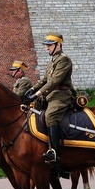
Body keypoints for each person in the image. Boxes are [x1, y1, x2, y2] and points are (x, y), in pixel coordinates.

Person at [30, 32, 76, 172]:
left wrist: (39, 93)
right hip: (51, 95)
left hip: (62, 95)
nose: (47, 48)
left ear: (58, 45)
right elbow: (45, 80)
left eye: (49, 45)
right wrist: (32, 89)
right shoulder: (52, 62)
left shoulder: (64, 60)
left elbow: (55, 81)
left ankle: (55, 154)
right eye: (47, 46)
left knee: (50, 115)